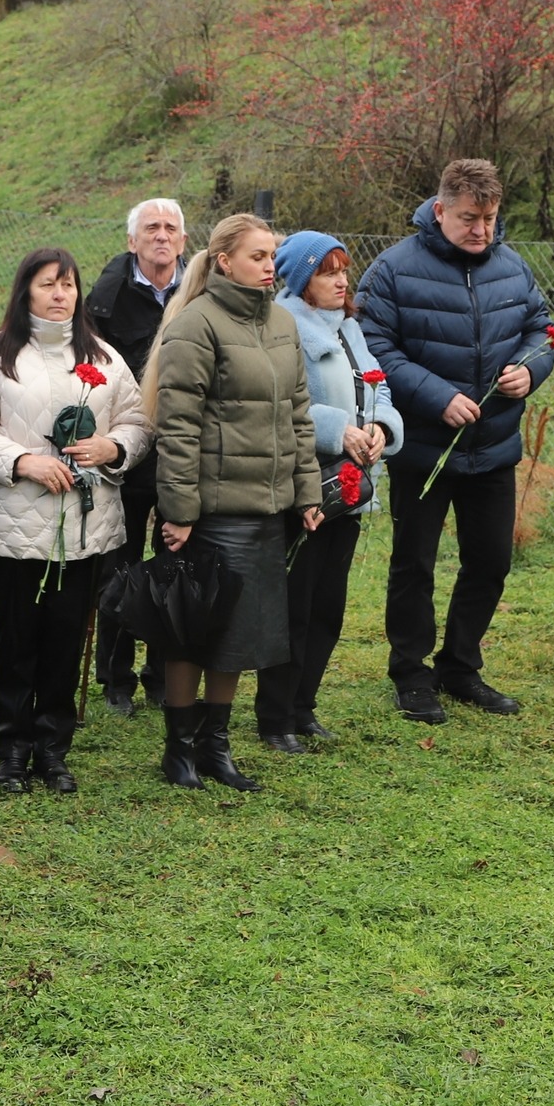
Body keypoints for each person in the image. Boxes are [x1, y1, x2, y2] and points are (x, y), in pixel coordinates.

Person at [0, 248, 152, 793]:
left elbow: (136, 421)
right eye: (47, 285)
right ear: (25, 292)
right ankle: (12, 748)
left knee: (65, 640)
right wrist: (21, 461)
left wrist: (112, 446)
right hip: (11, 524)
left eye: (68, 284)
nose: (60, 294)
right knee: (17, 641)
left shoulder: (105, 358)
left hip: (83, 530)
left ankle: (53, 749)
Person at [359, 158, 554, 723]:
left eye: (490, 219)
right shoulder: (393, 269)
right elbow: (376, 347)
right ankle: (411, 673)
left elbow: (539, 327)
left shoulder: (512, 267)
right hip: (422, 445)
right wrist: (435, 396)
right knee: (414, 563)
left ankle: (461, 666)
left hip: (492, 446)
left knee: (490, 562)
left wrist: (528, 370)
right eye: (469, 218)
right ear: (440, 210)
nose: (482, 230)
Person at [145, 214, 323, 792]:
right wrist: (179, 511)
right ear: (224, 261)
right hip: (210, 513)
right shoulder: (196, 324)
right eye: (258, 256)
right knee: (193, 632)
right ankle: (178, 749)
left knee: (239, 635)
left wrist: (307, 490)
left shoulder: (282, 323)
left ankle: (215, 747)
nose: (270, 266)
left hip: (266, 511)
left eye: (273, 256)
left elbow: (298, 413)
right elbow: (177, 427)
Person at [257, 231, 403, 752]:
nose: (341, 280)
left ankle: (304, 705)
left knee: (328, 607)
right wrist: (336, 428)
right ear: (300, 279)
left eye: (344, 269)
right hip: (304, 488)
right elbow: (275, 402)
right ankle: (275, 716)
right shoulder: (281, 328)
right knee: (294, 607)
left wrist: (383, 426)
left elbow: (379, 384)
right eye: (327, 271)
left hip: (350, 487)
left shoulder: (349, 329)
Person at [84, 197, 187, 715]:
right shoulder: (104, 299)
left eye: (171, 228)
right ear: (132, 241)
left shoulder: (200, 292)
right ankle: (115, 676)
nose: (161, 236)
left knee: (174, 563)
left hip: (182, 452)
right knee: (118, 568)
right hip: (124, 454)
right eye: (151, 228)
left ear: (184, 242)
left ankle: (162, 673)